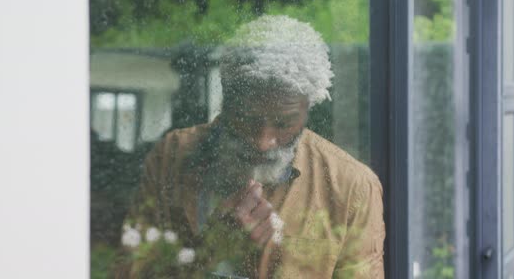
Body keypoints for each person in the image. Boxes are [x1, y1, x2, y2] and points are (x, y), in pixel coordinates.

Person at [115, 15, 385, 278]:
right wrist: (209, 250)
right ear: (226, 97)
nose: (263, 141)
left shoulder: (353, 188)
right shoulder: (172, 155)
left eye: (284, 123)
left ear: (308, 109)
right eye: (248, 119)